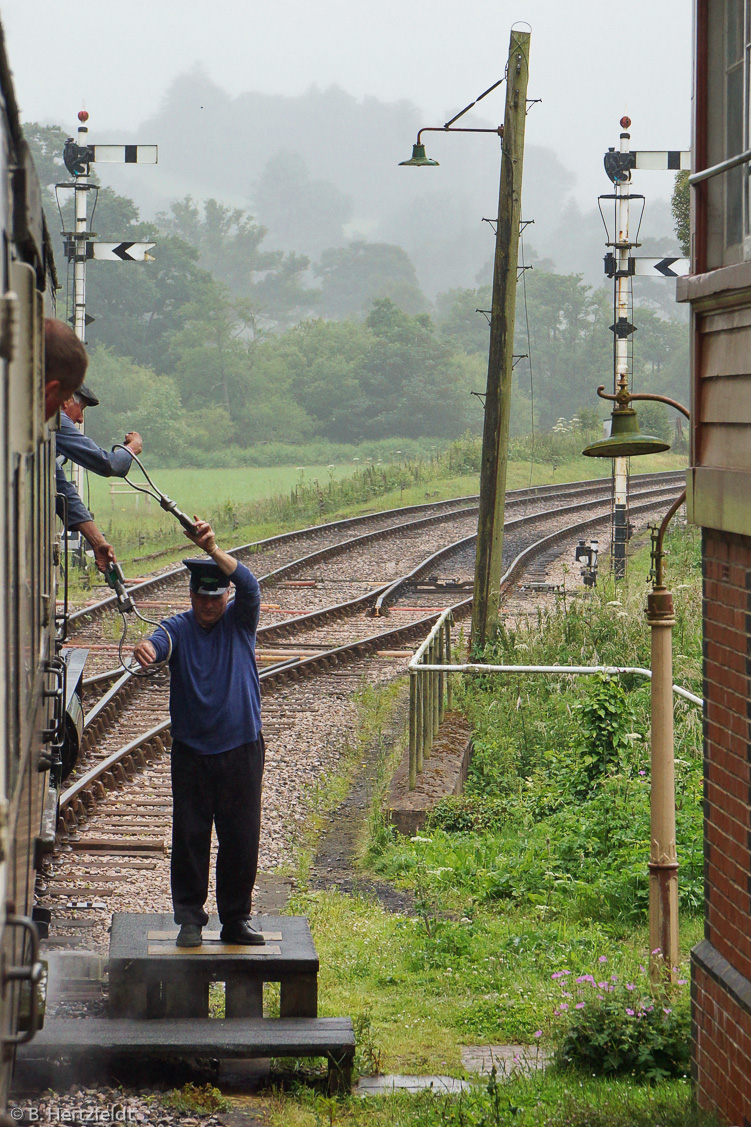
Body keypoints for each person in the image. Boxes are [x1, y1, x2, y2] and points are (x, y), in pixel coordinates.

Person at [133, 518, 265, 948]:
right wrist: (149, 652)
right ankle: (189, 919)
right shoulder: (178, 628)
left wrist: (212, 550)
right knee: (190, 836)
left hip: (242, 747)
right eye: (201, 597)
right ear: (190, 596)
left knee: (240, 837)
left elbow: (250, 585)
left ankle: (236, 919)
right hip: (192, 752)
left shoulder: (241, 620)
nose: (209, 604)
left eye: (216, 596)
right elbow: (160, 642)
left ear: (224, 596)